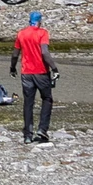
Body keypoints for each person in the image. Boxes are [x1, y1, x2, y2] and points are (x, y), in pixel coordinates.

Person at [9, 11, 60, 142]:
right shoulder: (42, 33)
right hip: (41, 72)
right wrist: (54, 69)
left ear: (29, 21)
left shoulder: (21, 33)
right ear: (40, 21)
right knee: (47, 99)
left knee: (28, 103)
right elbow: (45, 53)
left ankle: (27, 135)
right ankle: (42, 129)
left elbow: (15, 54)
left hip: (26, 73)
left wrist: (12, 68)